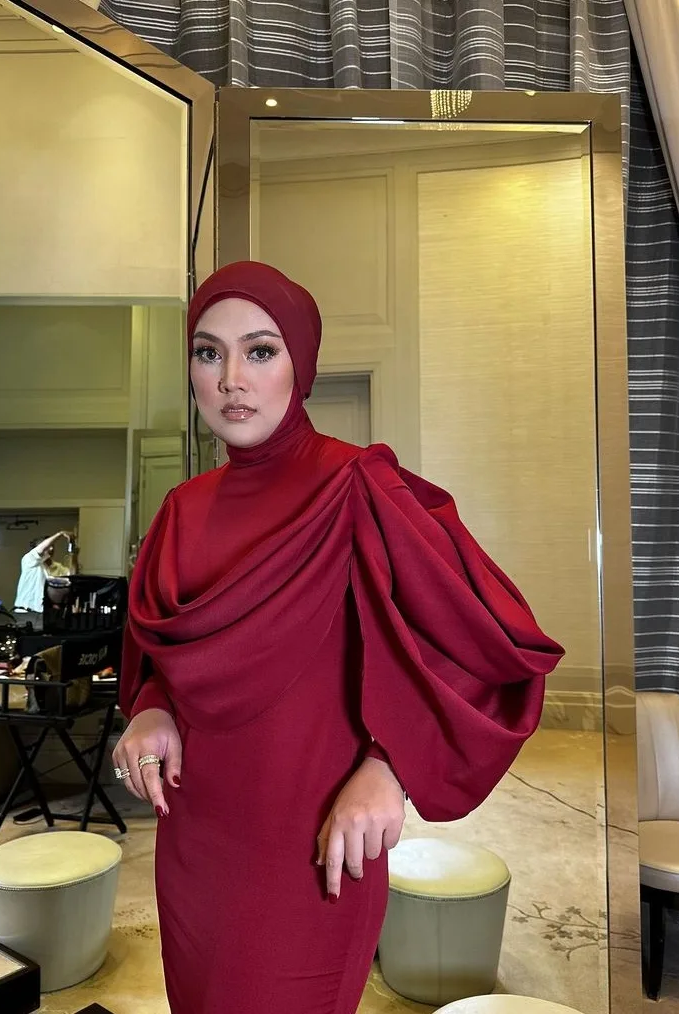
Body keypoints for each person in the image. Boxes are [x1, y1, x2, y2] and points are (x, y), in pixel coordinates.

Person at [113, 261, 564, 1014]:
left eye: (260, 351)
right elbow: (169, 659)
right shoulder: (181, 510)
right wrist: (152, 707)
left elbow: (488, 649)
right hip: (195, 840)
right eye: (207, 352)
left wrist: (390, 767)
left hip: (316, 842)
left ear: (302, 362)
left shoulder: (359, 487)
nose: (231, 379)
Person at [13, 531, 71, 622]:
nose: (51, 549)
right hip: (26, 613)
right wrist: (59, 534)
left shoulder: (56, 567)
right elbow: (41, 550)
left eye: (52, 546)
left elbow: (72, 576)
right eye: (49, 546)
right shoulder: (29, 560)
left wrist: (74, 554)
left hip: (44, 614)